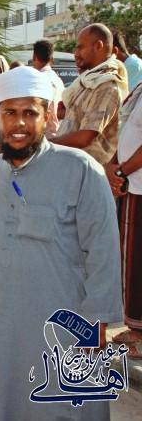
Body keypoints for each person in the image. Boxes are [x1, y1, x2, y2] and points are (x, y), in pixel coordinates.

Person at [0, 66, 122, 420]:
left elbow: (103, 251)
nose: (19, 123)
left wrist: (96, 326)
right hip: (1, 325)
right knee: (2, 401)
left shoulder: (81, 169)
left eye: (30, 113)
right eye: (10, 112)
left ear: (48, 115)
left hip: (64, 326)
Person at [54, 23, 128, 166]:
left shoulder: (108, 87)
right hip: (72, 166)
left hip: (89, 171)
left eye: (80, 47)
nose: (76, 54)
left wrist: (44, 145)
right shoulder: (89, 81)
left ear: (98, 46)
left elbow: (85, 137)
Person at [106, 81, 142, 358]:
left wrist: (121, 171)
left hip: (137, 183)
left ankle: (138, 334)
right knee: (130, 258)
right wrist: (113, 165)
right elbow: (130, 131)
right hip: (132, 182)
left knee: (137, 260)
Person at [32, 40, 65, 138]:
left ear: (34, 57)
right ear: (51, 59)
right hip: (58, 133)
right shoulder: (57, 79)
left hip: (43, 137)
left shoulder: (36, 80)